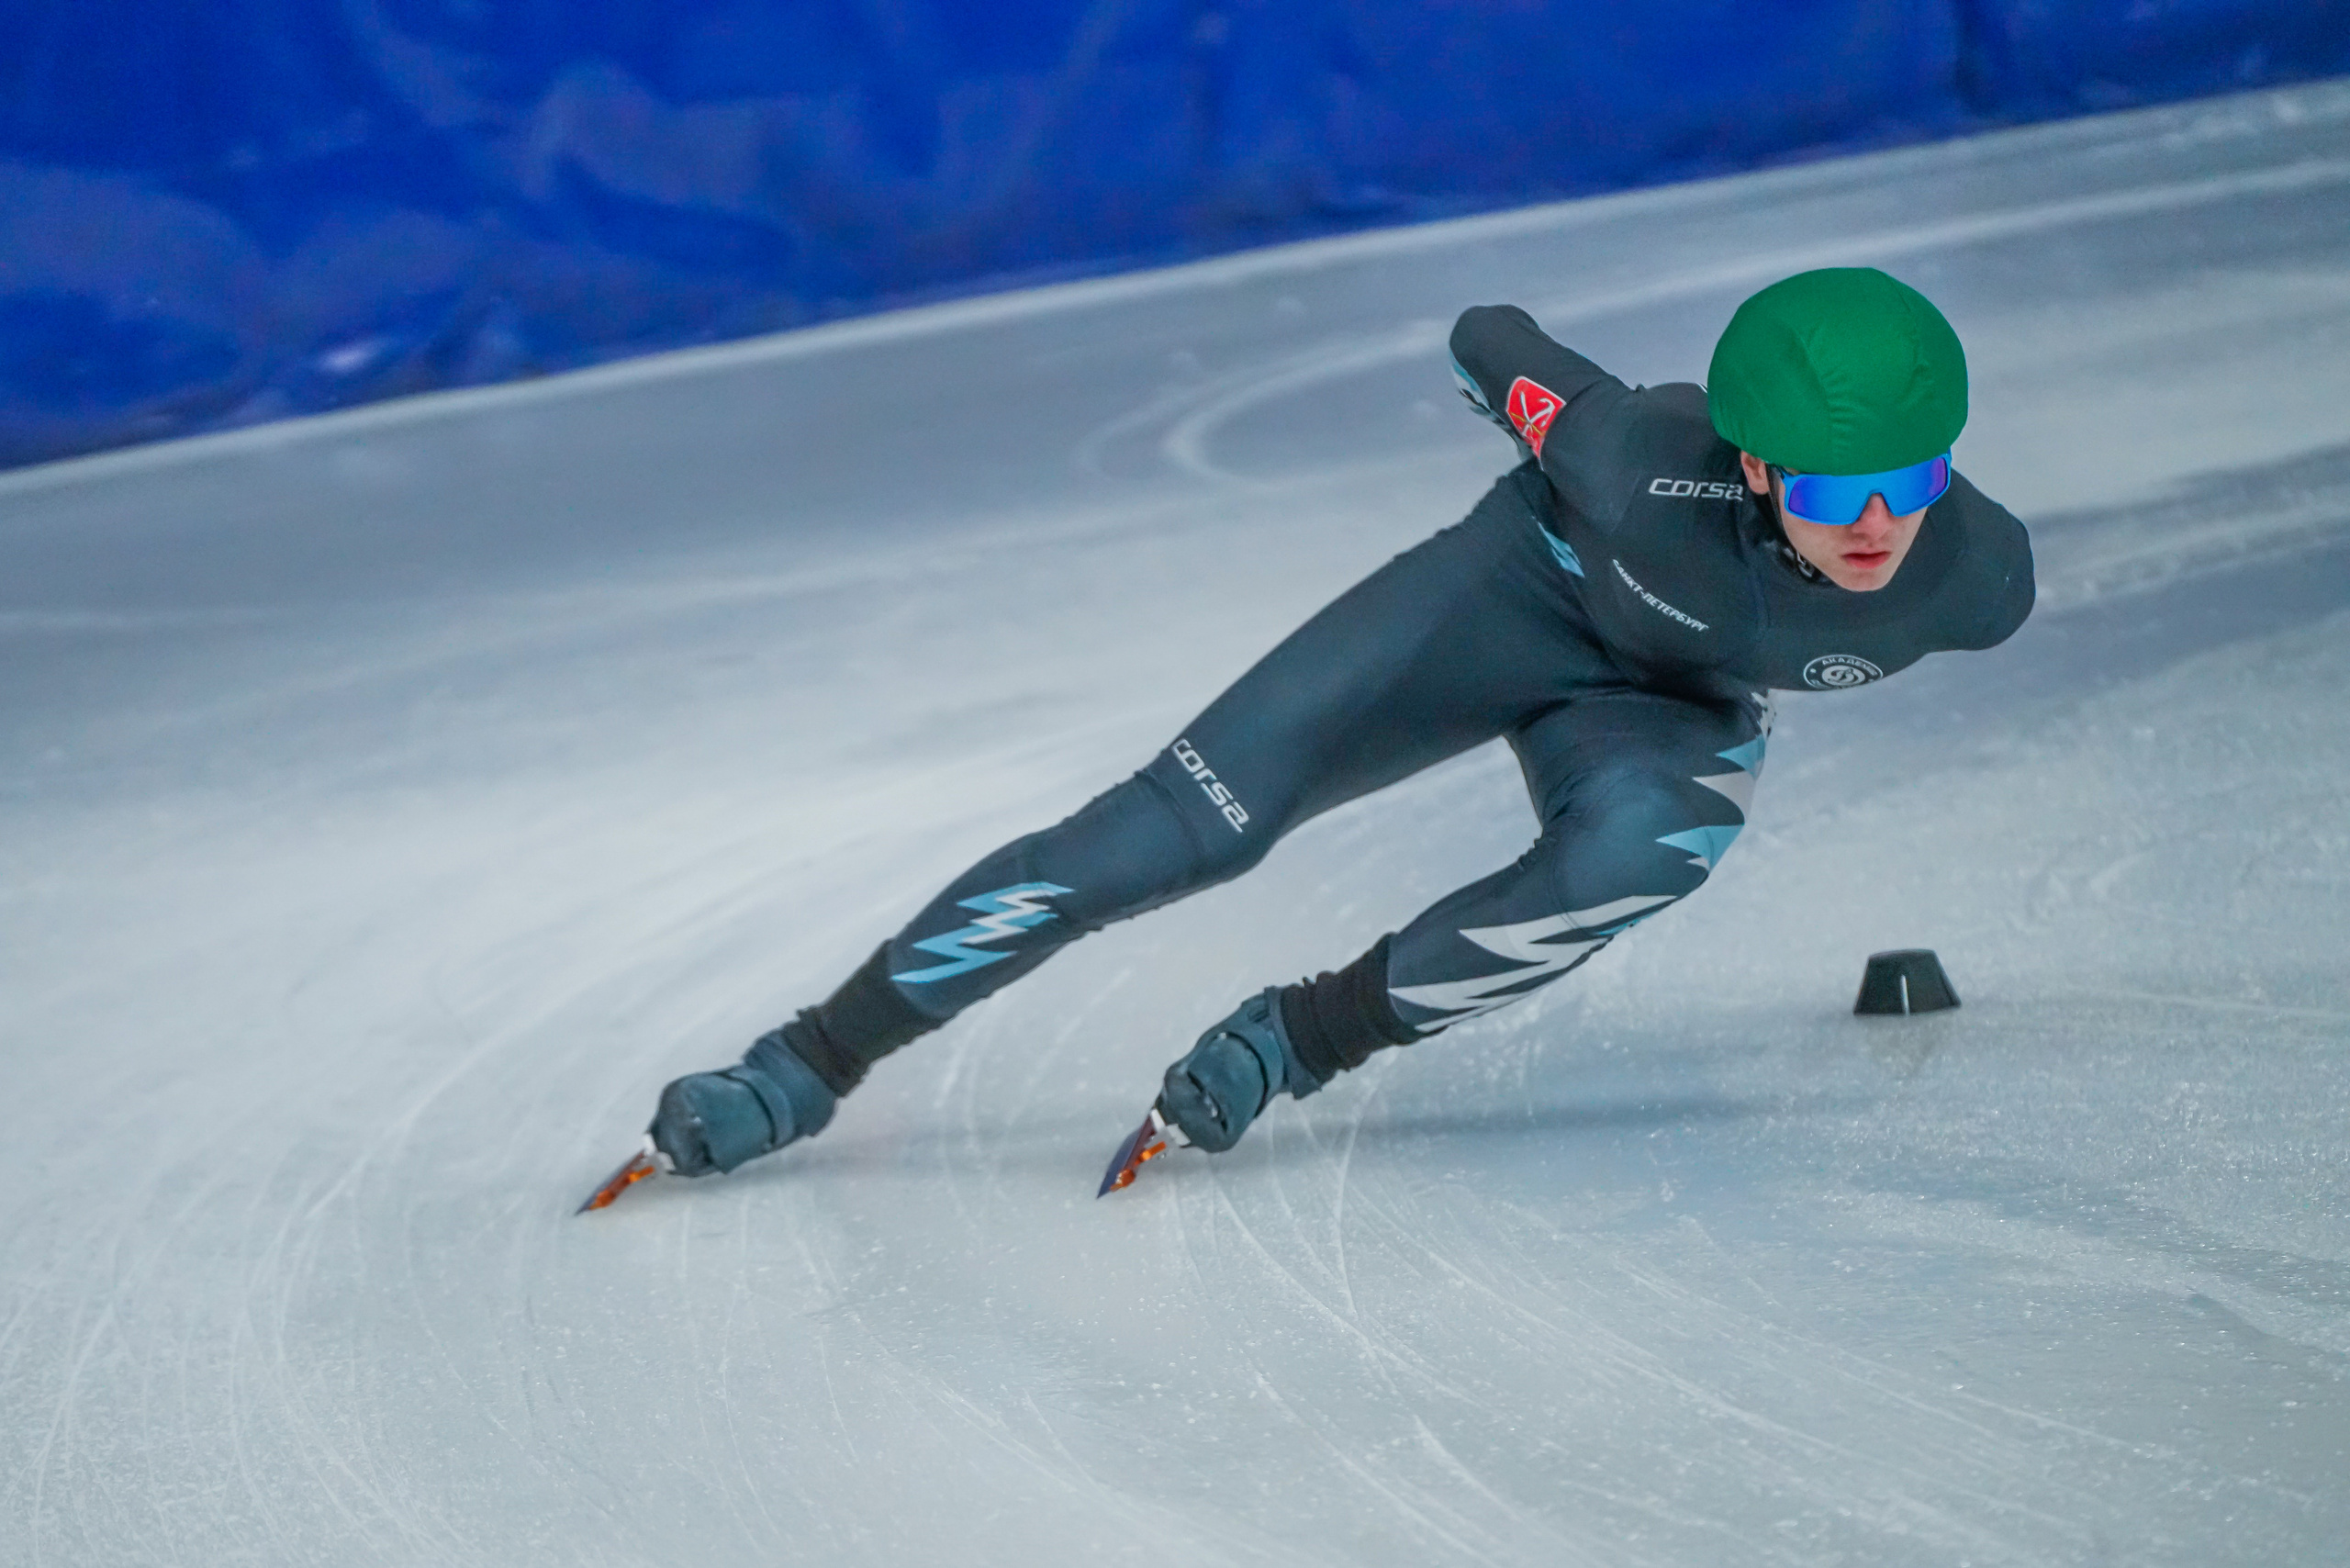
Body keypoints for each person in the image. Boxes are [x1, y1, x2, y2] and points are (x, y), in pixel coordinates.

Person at [636, 266, 2035, 1182]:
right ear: (1757, 465)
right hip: (1513, 597)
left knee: (1650, 850)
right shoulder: (1630, 466)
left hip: (1660, 711)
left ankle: (1293, 1042)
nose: (1876, 526)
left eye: (1911, 479)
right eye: (1834, 487)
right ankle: (803, 1065)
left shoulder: (1979, 583)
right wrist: (1530, 413)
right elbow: (1488, 339)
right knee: (1172, 835)